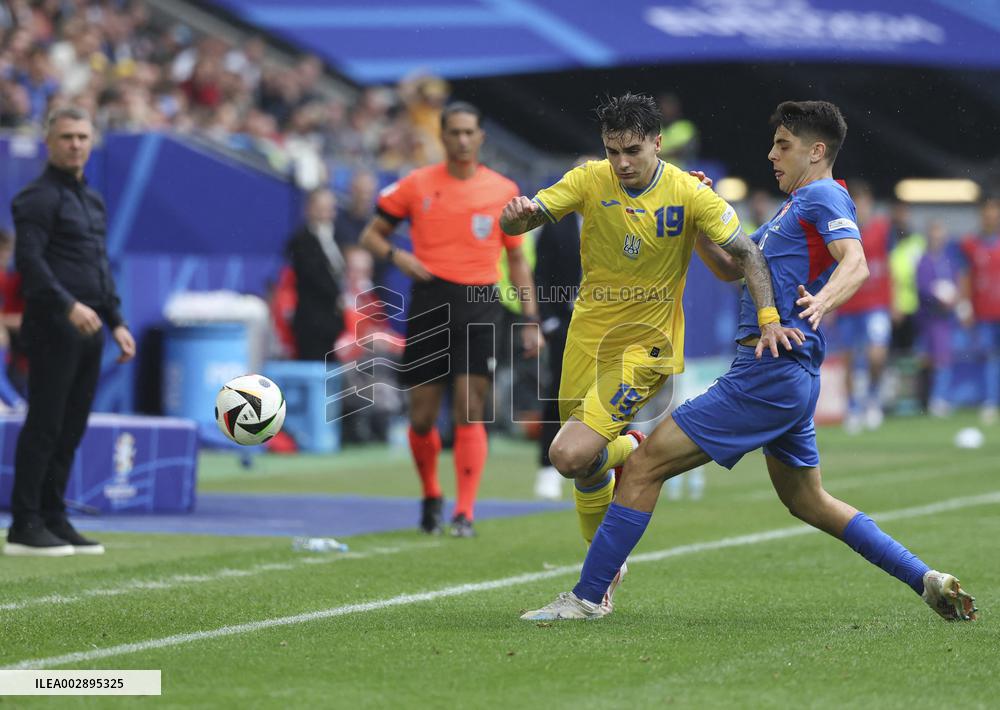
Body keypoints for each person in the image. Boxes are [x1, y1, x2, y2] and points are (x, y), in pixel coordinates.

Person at [522, 100, 977, 623]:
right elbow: (727, 270)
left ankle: (588, 596)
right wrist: (697, 214)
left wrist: (821, 303)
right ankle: (925, 578)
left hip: (766, 372)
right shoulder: (792, 207)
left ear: (817, 150)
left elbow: (856, 261)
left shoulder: (824, 195)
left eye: (784, 145)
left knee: (643, 468)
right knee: (810, 502)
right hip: (786, 378)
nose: (772, 154)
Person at [501, 93, 790, 609]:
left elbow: (746, 254)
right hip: (585, 336)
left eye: (632, 150)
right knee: (583, 466)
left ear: (658, 143)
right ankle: (606, 575)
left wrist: (768, 318)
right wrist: (516, 217)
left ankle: (629, 462)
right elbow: (528, 220)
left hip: (645, 347)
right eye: (612, 151)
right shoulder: (590, 179)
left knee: (567, 453)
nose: (622, 163)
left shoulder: (690, 192)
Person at [360, 101, 543, 537]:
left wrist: (531, 319)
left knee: (469, 409)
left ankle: (465, 512)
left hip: (481, 303)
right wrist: (398, 256)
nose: (462, 140)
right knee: (422, 417)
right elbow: (372, 233)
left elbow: (517, 261)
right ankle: (430, 494)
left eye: (469, 133)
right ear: (442, 137)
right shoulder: (416, 184)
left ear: (481, 137)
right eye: (454, 133)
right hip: (429, 300)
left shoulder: (502, 190)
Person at [5, 106, 136, 557]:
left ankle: (53, 515)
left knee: (71, 427)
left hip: (91, 328)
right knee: (44, 424)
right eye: (66, 137)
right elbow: (30, 264)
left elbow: (99, 268)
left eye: (82, 136)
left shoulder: (92, 199)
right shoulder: (36, 198)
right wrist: (68, 305)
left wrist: (116, 320)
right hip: (53, 325)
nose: (75, 144)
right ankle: (24, 524)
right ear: (49, 142)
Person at [531, 156, 591, 501]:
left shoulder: (621, 215)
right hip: (566, 320)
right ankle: (546, 467)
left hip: (608, 321)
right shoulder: (557, 222)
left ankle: (614, 463)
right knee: (558, 392)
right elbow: (542, 274)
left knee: (614, 391)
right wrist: (549, 320)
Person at [835, 181, 892, 433]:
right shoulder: (841, 231)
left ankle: (873, 398)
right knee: (848, 359)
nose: (861, 208)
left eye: (864, 202)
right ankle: (853, 408)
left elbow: (892, 266)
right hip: (848, 303)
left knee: (876, 355)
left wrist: (896, 300)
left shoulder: (883, 230)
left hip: (877, 304)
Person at [286, 187, 345, 361]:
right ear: (309, 209)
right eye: (322, 208)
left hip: (333, 321)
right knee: (316, 370)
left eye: (330, 208)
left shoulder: (336, 237)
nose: (327, 214)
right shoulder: (301, 241)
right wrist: (340, 294)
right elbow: (314, 277)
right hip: (313, 322)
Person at [958, 196, 1000, 424]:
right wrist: (964, 306)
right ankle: (990, 401)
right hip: (984, 313)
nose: (991, 216)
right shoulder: (970, 245)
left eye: (994, 211)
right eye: (987, 212)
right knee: (989, 358)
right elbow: (965, 277)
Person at [916, 220, 960, 417]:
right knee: (932, 359)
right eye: (935, 235)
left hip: (946, 318)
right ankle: (934, 399)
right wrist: (937, 295)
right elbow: (922, 288)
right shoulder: (924, 261)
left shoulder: (948, 260)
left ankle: (938, 397)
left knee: (943, 357)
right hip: (930, 317)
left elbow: (957, 282)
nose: (938, 239)